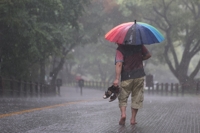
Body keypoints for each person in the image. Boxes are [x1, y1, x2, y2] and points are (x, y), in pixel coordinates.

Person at [113, 44, 151, 125]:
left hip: (127, 76)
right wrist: (140, 58)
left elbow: (119, 64)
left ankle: (123, 114)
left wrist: (117, 78)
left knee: (123, 96)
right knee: (137, 97)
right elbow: (148, 55)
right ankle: (133, 119)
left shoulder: (121, 49)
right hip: (139, 75)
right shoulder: (139, 45)